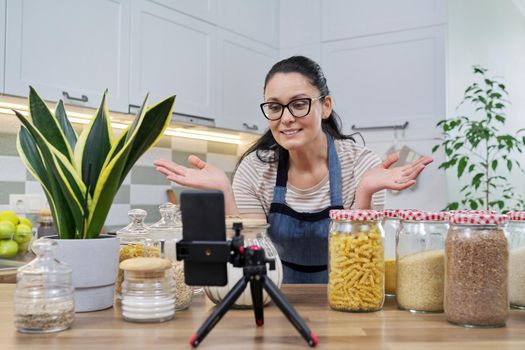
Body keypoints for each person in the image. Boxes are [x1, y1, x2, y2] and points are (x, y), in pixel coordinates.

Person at [154, 56, 433, 283]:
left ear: (325, 106)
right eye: (275, 107)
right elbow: (252, 252)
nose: (286, 119)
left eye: (299, 104)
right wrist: (224, 192)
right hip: (273, 296)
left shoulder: (361, 167)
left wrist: (365, 192)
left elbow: (358, 265)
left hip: (344, 297)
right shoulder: (255, 169)